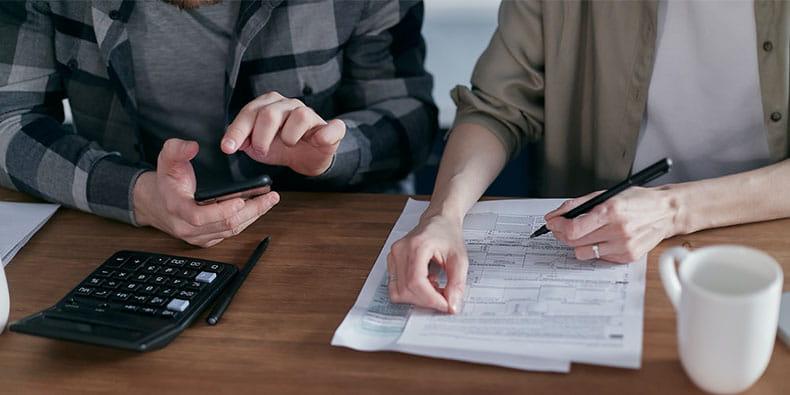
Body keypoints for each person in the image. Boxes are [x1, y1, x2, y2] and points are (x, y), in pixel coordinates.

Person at [387, 0, 789, 314]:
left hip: (765, 234)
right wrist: (443, 216)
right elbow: (497, 105)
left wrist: (673, 209)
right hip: (596, 244)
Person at [0, 0, 437, 247]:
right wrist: (138, 195)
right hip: (126, 237)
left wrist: (331, 152)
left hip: (326, 235)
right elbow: (8, 120)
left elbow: (409, 118)